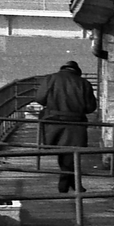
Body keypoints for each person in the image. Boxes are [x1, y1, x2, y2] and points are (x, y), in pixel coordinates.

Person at [36, 60, 97, 192]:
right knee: (71, 153)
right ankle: (69, 183)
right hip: (75, 123)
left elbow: (40, 98)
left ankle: (68, 183)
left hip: (53, 122)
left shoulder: (51, 79)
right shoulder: (84, 83)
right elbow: (90, 107)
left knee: (64, 153)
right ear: (77, 72)